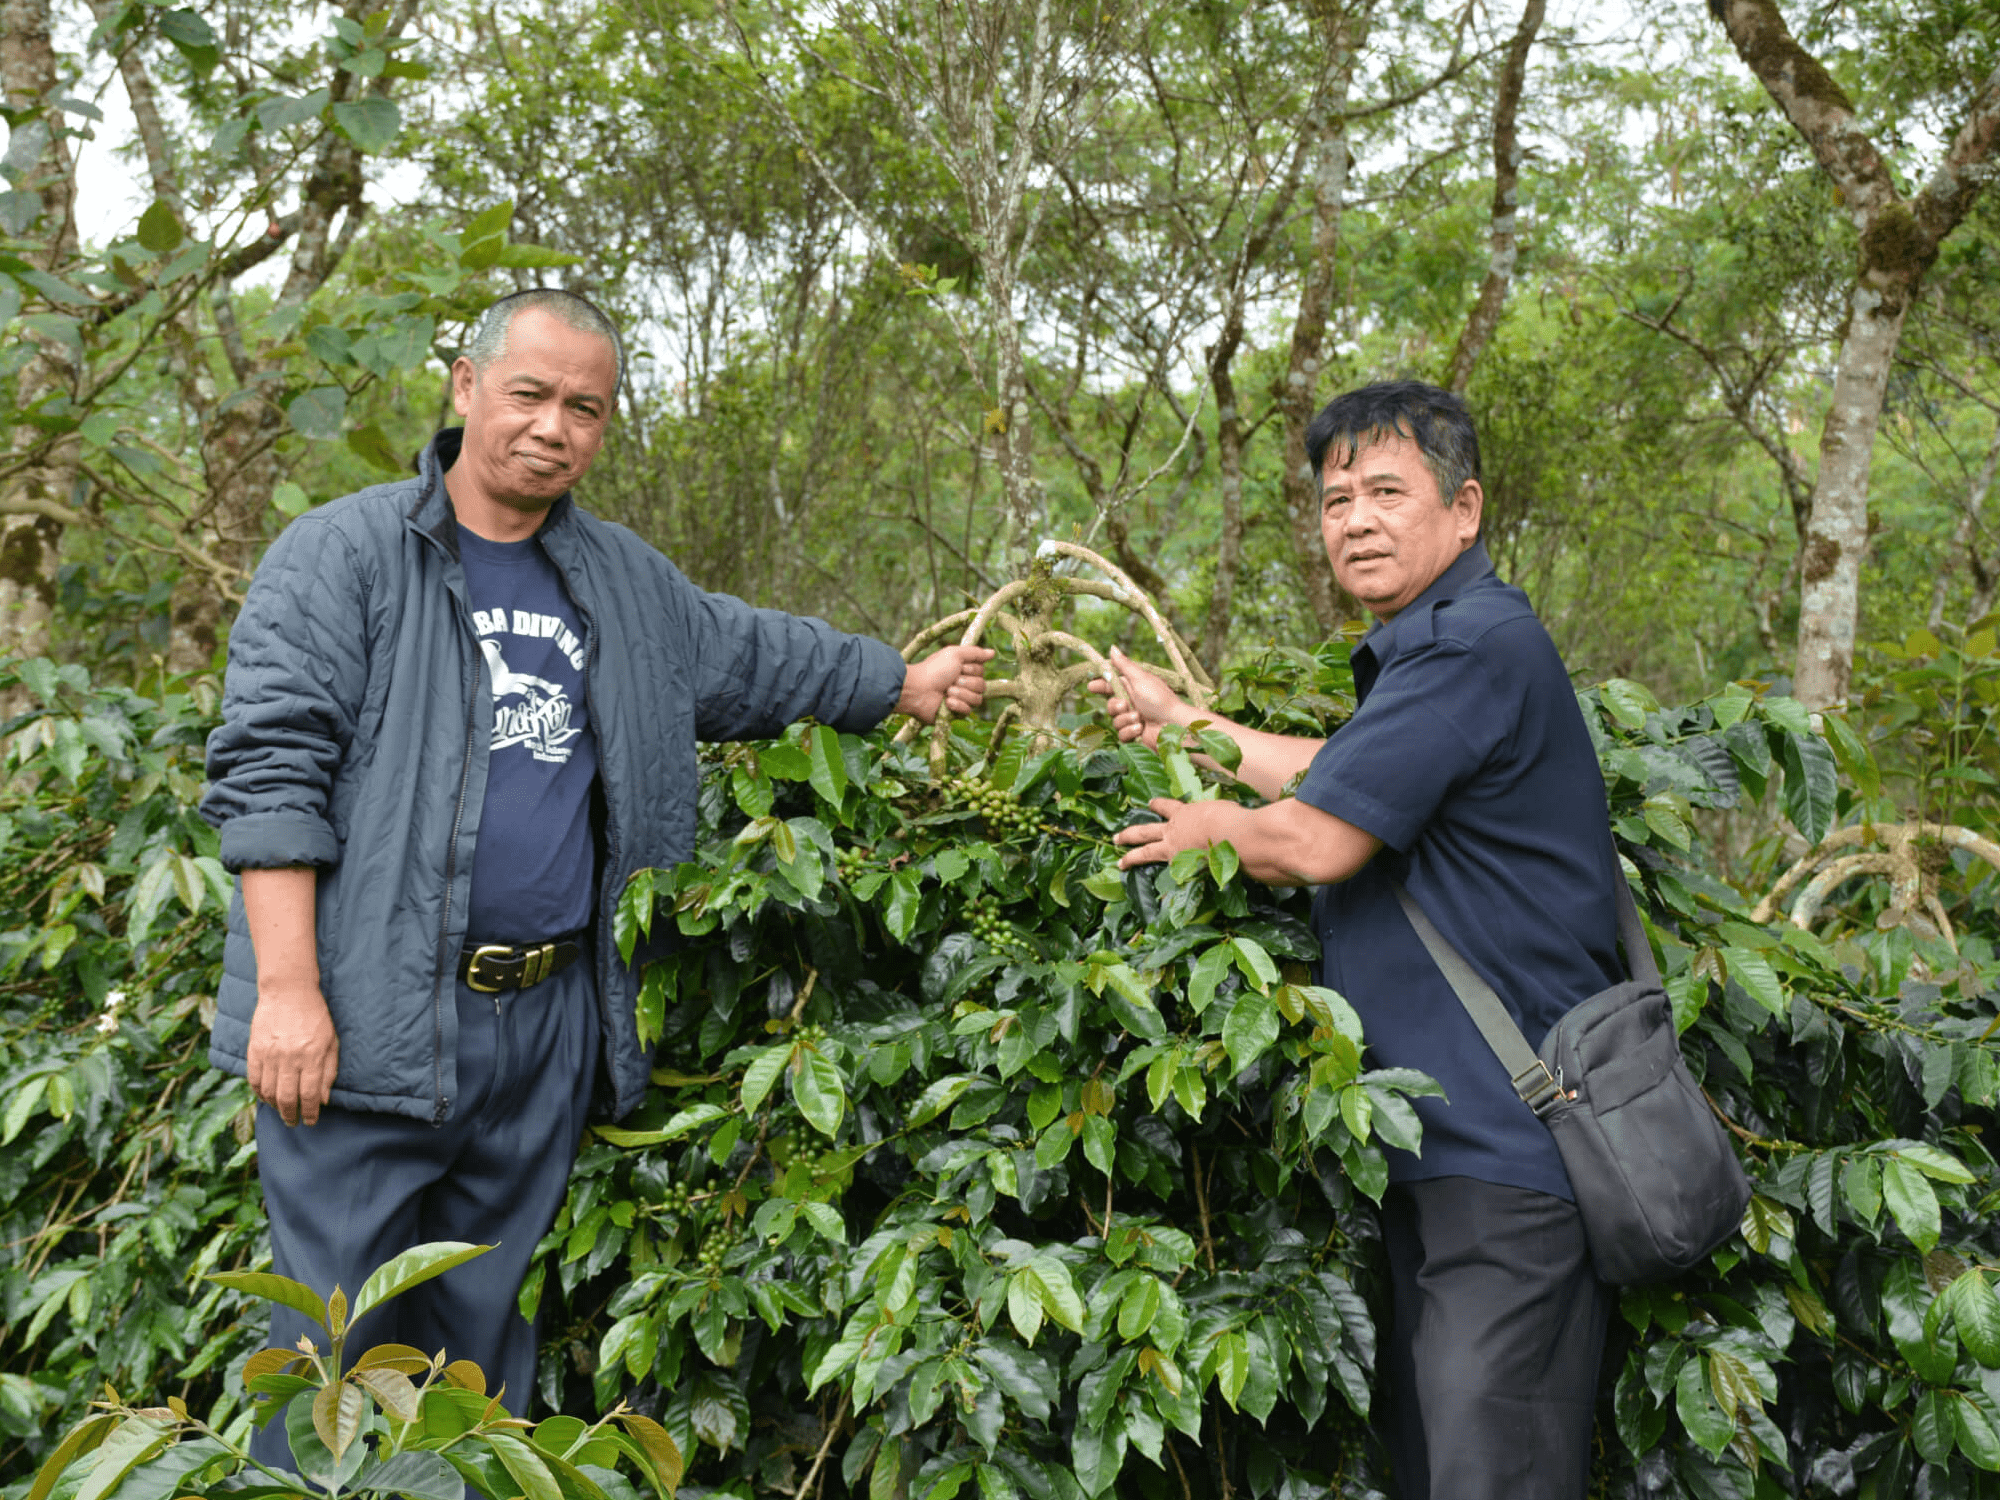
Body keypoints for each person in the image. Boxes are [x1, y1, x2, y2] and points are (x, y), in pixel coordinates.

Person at [200, 288, 991, 1463]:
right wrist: (287, 989)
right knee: (333, 1352)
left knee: (476, 1357)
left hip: (542, 1028)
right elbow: (270, 773)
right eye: (529, 394)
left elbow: (750, 656)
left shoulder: (620, 580)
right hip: (364, 1016)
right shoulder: (342, 555)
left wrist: (899, 682)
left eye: (585, 408)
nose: (552, 427)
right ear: (466, 385)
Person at [1096, 381, 1617, 1500]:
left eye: (1386, 492)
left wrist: (1199, 829)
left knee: (1488, 1476)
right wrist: (1182, 721)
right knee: (1437, 1469)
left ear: (1464, 509)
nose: (1356, 522)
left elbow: (1318, 837)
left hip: (1504, 1160)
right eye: (1337, 501)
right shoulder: (1433, 650)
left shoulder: (1471, 644)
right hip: (1442, 1158)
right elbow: (1335, 773)